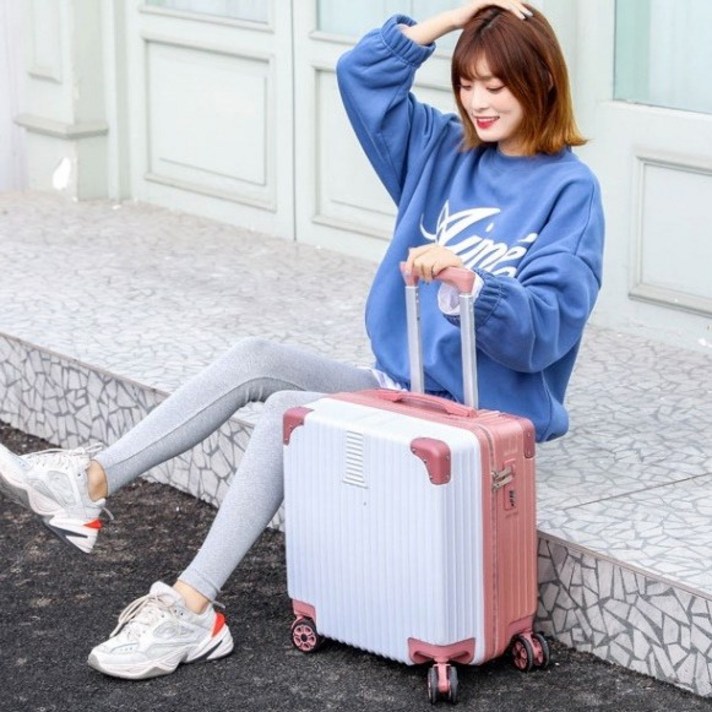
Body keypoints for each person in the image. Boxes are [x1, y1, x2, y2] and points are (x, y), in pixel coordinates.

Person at [0, 0, 603, 681]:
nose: (478, 102)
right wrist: (456, 18)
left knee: (289, 408)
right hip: (401, 393)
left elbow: (546, 330)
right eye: (467, 83)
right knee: (256, 358)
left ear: (540, 80)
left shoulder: (570, 191)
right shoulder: (442, 150)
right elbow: (361, 74)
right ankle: (90, 481)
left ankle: (192, 606)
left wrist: (475, 285)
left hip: (475, 423)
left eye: (496, 84)